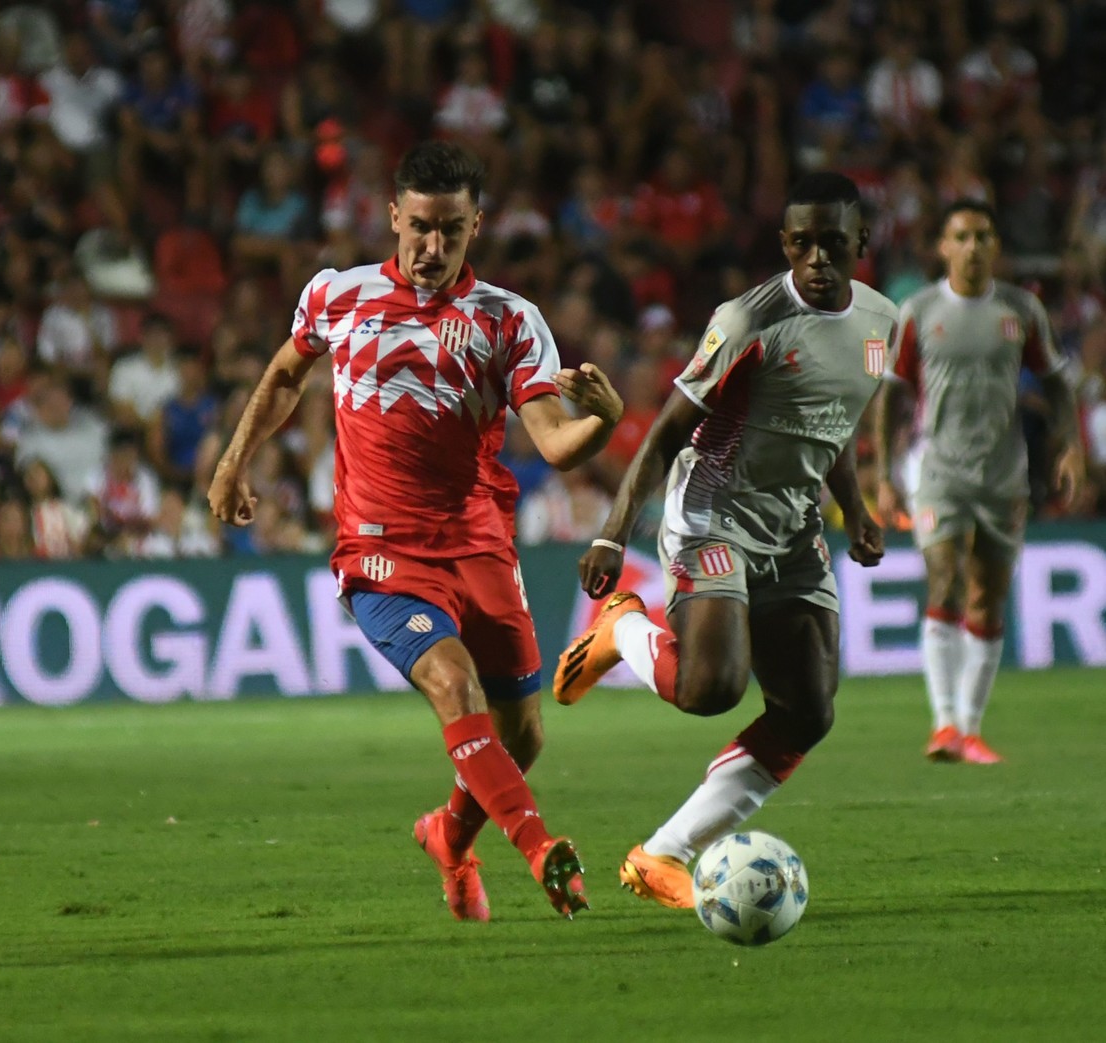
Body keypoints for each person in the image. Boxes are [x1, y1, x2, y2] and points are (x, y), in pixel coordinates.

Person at [208, 141, 623, 922]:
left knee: (521, 735)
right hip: (380, 550)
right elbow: (285, 374)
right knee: (450, 682)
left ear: (477, 225)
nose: (433, 248)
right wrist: (235, 461)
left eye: (452, 232)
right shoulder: (337, 295)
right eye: (420, 228)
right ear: (393, 216)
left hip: (479, 545)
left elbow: (556, 443)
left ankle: (450, 838)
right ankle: (539, 848)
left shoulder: (508, 320)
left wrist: (605, 419)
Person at [555, 172, 891, 910]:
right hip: (715, 511)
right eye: (800, 243)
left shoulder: (879, 321)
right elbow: (668, 430)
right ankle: (625, 629)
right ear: (783, 244)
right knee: (710, 688)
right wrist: (613, 535)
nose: (816, 259)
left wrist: (856, 509)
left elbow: (830, 423)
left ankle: (661, 854)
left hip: (793, 524)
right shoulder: (747, 320)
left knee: (808, 711)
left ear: (860, 243)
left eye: (832, 243)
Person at [876, 200, 1083, 765]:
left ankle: (969, 729)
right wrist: (883, 475)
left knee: (988, 597)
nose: (972, 246)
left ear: (996, 247)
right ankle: (943, 724)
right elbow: (892, 390)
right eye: (961, 236)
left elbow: (1058, 383)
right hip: (938, 469)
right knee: (944, 579)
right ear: (943, 247)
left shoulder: (1021, 310)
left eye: (983, 236)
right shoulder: (918, 312)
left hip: (1003, 473)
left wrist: (1069, 447)